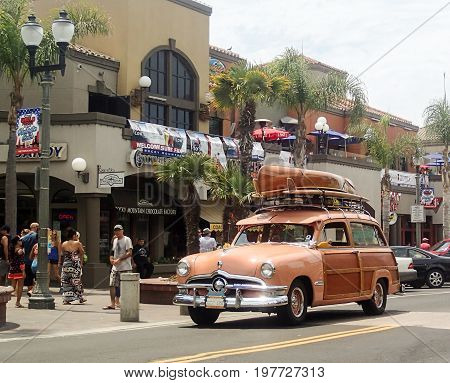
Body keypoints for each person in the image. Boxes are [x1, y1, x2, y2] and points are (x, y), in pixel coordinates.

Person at [103, 225, 133, 310]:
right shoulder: (115, 240)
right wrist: (111, 259)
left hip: (125, 267)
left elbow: (129, 252)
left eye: (119, 230)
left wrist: (119, 259)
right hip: (115, 267)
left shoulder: (127, 239)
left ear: (122, 231)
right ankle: (113, 304)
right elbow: (112, 251)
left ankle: (127, 304)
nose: (117, 232)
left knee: (126, 286)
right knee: (112, 285)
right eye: (116, 230)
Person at [60, 227, 86, 305]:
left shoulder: (64, 244)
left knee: (66, 281)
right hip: (74, 264)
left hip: (66, 264)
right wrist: (81, 262)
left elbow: (62, 254)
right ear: (74, 235)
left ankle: (66, 299)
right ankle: (80, 297)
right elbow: (82, 252)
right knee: (76, 280)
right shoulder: (77, 243)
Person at [20, 222, 39, 295]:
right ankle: (34, 292)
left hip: (26, 260)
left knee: (29, 279)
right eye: (38, 227)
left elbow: (21, 249)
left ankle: (30, 292)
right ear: (35, 227)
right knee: (37, 278)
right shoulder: (37, 236)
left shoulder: (24, 238)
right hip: (36, 260)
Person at [8, 236, 25, 307]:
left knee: (13, 286)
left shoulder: (12, 249)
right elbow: (21, 262)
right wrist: (23, 271)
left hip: (13, 269)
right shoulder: (20, 250)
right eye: (20, 240)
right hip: (19, 269)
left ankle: (3, 294)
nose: (21, 241)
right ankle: (18, 302)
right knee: (20, 286)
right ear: (17, 242)